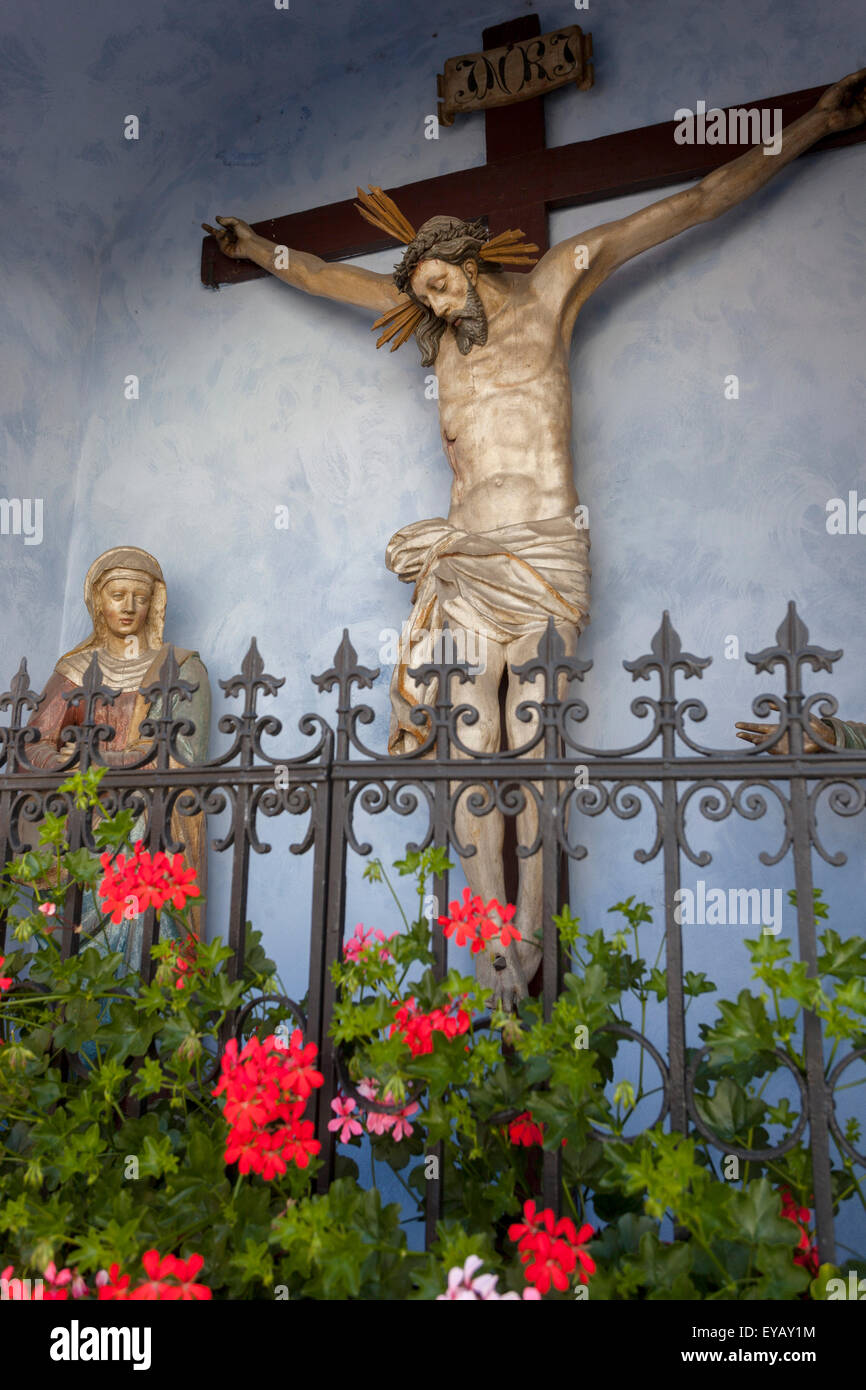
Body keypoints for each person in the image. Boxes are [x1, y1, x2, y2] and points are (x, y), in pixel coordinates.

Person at [26, 547, 211, 967]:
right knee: (77, 959)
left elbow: (182, 754)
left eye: (140, 597)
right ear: (98, 602)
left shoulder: (180, 668)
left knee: (141, 947)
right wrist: (66, 763)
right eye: (117, 595)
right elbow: (34, 743)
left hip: (145, 825)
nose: (128, 607)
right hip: (82, 826)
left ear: (154, 604)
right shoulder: (75, 670)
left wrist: (100, 763)